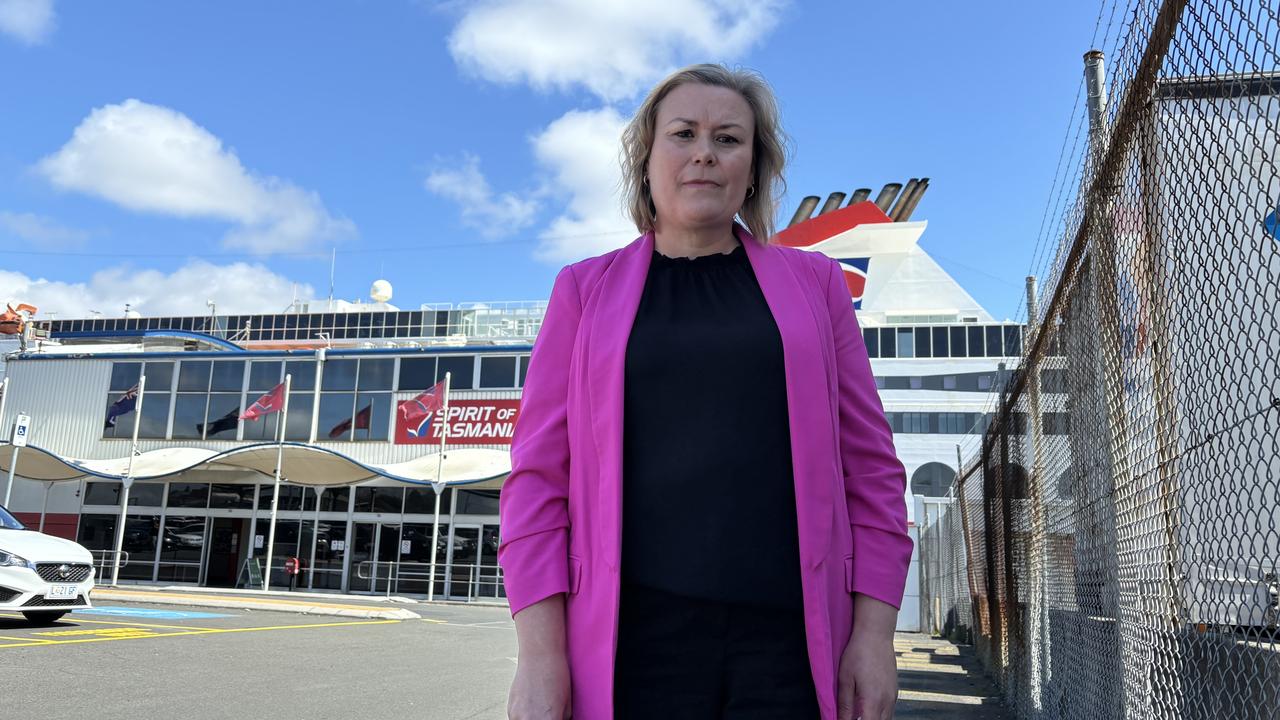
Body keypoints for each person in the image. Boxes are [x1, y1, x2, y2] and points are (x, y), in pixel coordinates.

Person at [499, 63, 913, 720]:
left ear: (754, 169)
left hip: (791, 645)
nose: (703, 154)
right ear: (647, 161)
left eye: (727, 139)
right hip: (634, 646)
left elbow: (872, 470)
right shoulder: (583, 292)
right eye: (683, 133)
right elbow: (537, 480)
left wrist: (874, 635)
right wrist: (540, 657)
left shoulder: (818, 287)